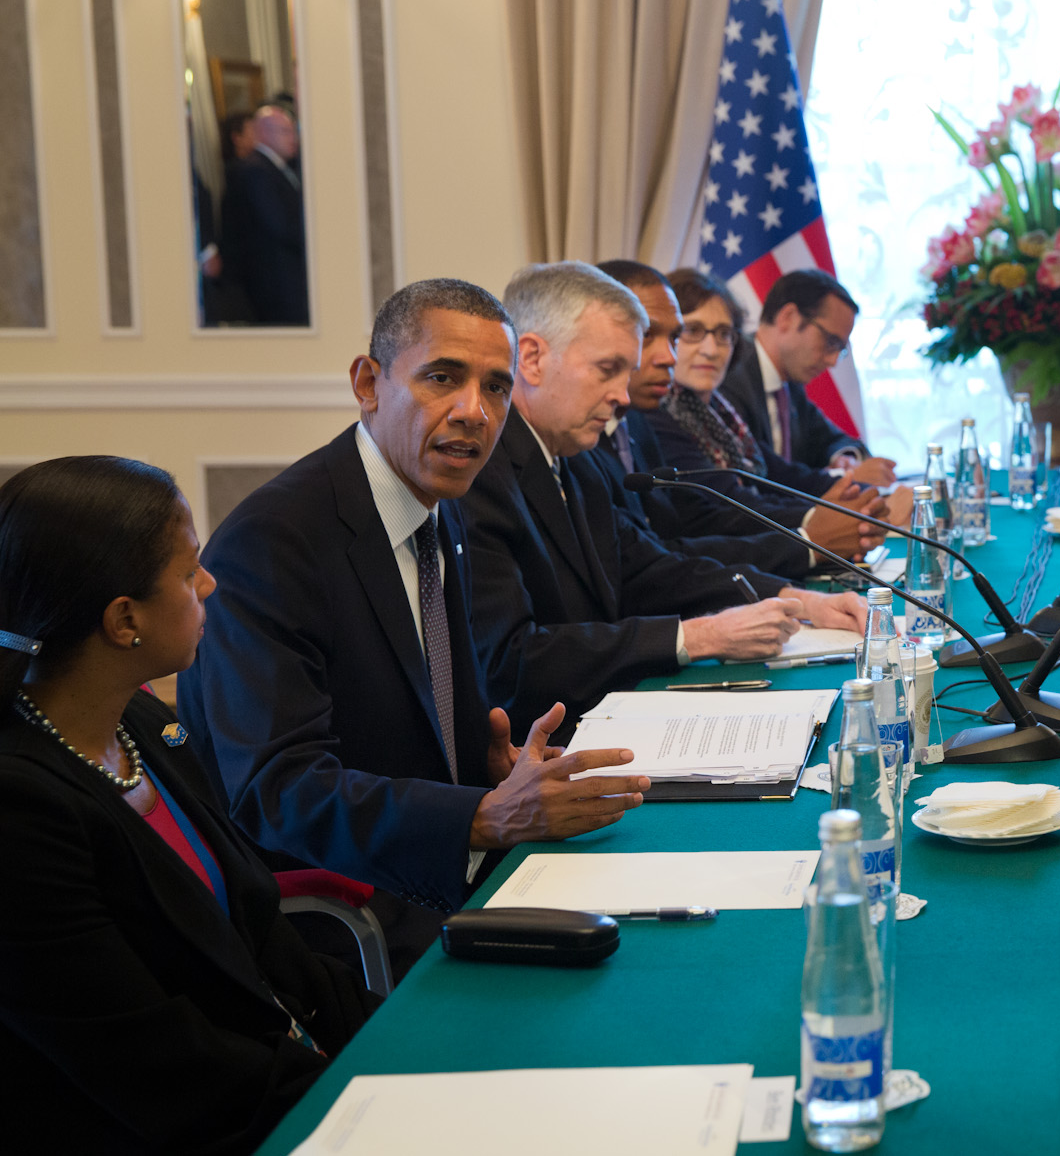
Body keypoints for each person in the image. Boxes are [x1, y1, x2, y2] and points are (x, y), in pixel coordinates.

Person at [183, 279, 651, 970]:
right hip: (347, 915)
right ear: (368, 383)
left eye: (496, 388)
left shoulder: (437, 506)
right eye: (442, 378)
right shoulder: (274, 542)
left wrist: (494, 769)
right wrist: (480, 815)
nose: (475, 412)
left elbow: (417, 720)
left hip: (443, 872)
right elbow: (275, 791)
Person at [0, 457, 378, 1152]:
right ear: (124, 619)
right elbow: (148, 1060)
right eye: (190, 569)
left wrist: (384, 1041)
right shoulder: (21, 810)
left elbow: (260, 932)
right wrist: (339, 1092)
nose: (209, 583)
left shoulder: (143, 726)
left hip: (271, 1083)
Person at [462, 263, 866, 732]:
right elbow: (514, 659)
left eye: (625, 373)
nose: (623, 398)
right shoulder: (480, 474)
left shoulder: (573, 456)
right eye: (608, 370)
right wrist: (695, 636)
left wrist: (795, 599)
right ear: (530, 359)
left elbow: (649, 567)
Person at [590, 261, 883, 575]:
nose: (711, 349)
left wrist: (840, 500)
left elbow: (773, 474)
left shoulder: (715, 409)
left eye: (723, 335)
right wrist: (814, 528)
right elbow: (714, 511)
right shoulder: (651, 415)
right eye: (693, 332)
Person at [720, 268, 877, 472]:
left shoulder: (789, 386)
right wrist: (836, 479)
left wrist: (845, 459)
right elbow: (764, 476)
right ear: (789, 318)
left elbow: (833, 440)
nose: (832, 361)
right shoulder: (730, 372)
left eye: (840, 350)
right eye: (831, 342)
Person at [217, 104, 308, 327]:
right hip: (276, 284)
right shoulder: (255, 170)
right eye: (285, 131)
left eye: (293, 131)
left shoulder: (278, 167)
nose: (293, 138)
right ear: (265, 133)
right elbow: (280, 225)